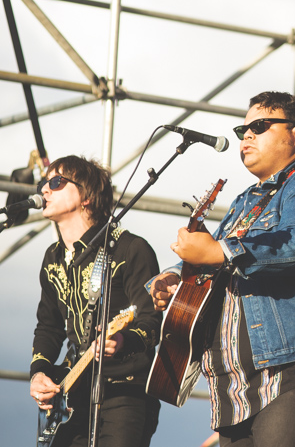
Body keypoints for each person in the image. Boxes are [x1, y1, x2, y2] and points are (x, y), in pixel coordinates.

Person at [147, 91, 295, 447]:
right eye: (243, 130)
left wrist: (219, 251)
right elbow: (220, 257)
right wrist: (175, 277)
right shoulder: (245, 201)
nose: (247, 136)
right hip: (239, 388)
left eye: (259, 126)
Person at [29, 155, 162, 447]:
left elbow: (153, 321)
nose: (45, 191)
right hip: (73, 392)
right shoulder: (52, 259)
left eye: (56, 182)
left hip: (126, 392)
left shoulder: (130, 248)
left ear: (87, 197)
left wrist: (125, 339)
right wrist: (39, 372)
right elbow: (48, 327)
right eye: (43, 184)